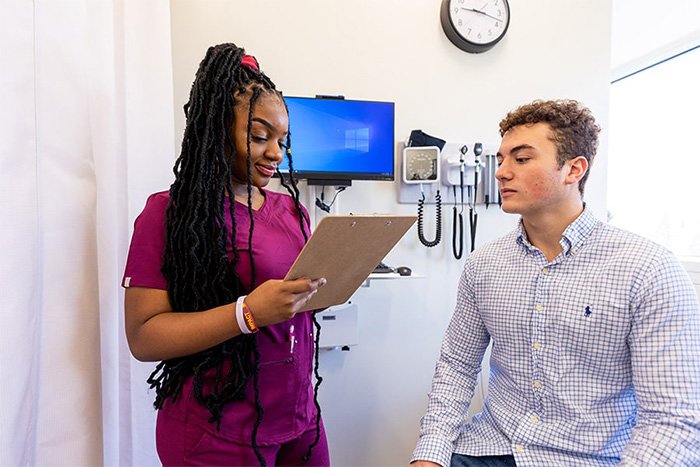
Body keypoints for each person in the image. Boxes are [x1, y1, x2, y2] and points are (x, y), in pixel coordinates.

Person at [411, 99, 700, 466]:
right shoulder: (484, 265)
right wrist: (431, 454)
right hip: (492, 448)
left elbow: (672, 420)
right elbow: (456, 366)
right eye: (501, 159)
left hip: (589, 458)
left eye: (521, 158)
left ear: (573, 169)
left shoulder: (648, 269)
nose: (501, 172)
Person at [122, 43, 330, 466]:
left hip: (298, 420)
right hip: (217, 431)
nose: (275, 152)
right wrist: (247, 313)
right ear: (216, 129)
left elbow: (292, 305)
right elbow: (144, 337)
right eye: (259, 136)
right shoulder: (170, 213)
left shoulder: (292, 211)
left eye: (281, 139)